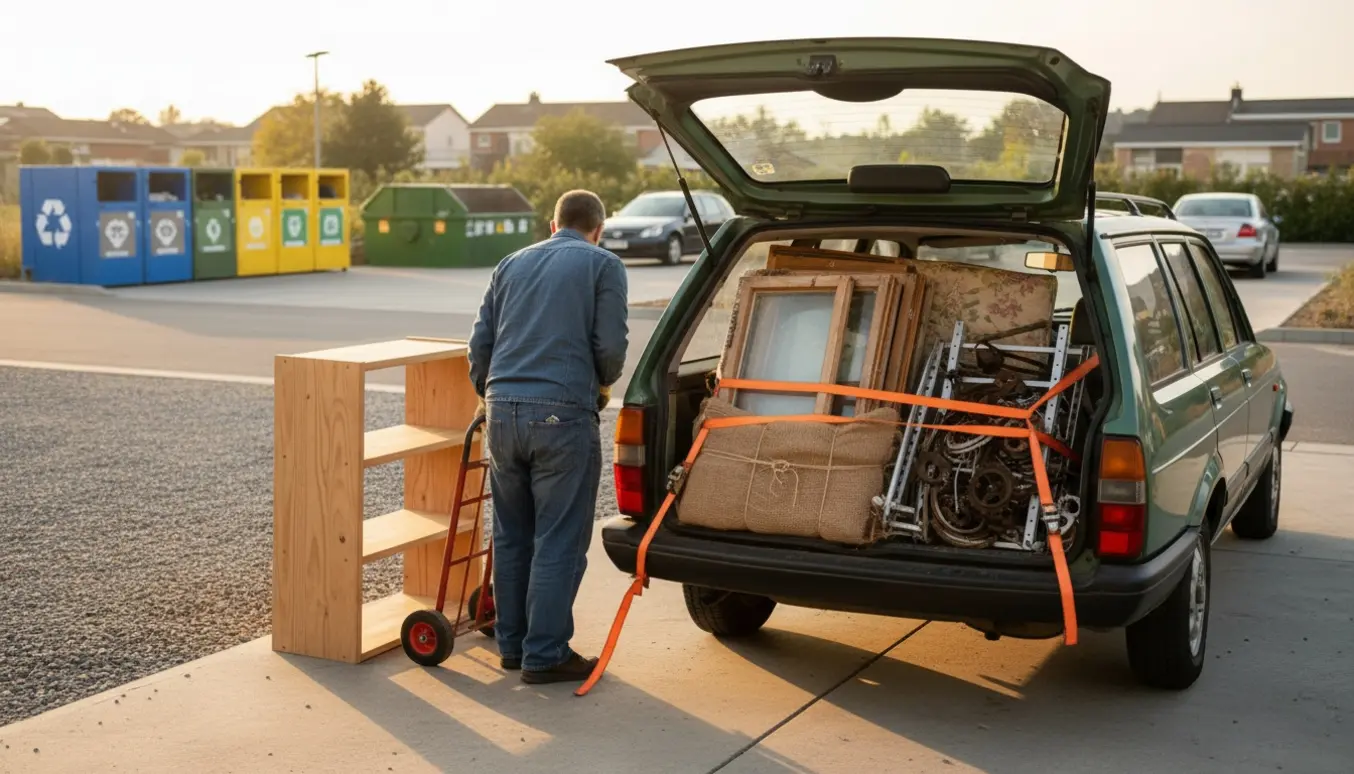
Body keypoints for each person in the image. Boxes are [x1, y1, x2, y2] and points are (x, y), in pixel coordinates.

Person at [467, 189, 629, 684]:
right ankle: (545, 653)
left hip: (501, 412)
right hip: (562, 414)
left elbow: (480, 346)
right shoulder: (603, 265)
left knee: (512, 535)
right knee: (558, 536)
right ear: (597, 228)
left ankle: (512, 647)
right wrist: (599, 385)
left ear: (551, 223)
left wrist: (493, 395)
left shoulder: (510, 264)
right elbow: (609, 348)